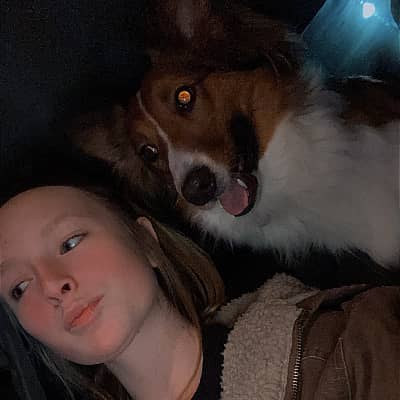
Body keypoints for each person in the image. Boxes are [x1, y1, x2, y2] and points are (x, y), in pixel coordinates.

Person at [1, 149, 400, 400]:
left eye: (70, 242)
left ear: (146, 242)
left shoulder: (348, 342)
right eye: (19, 287)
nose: (51, 285)